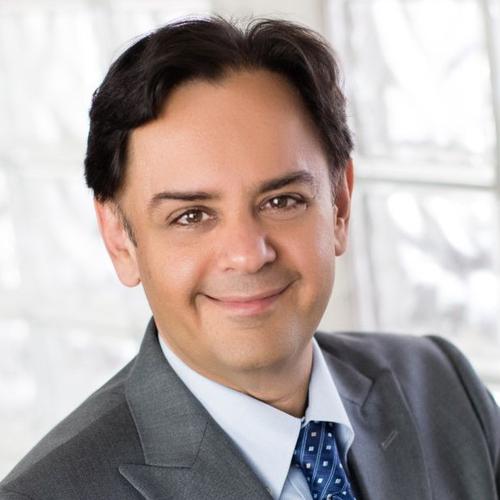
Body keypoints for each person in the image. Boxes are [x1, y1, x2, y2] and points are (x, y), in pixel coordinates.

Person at [1, 15, 499, 500]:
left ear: (340, 205)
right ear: (119, 239)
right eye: (191, 216)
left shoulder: (444, 387)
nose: (247, 255)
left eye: (282, 201)